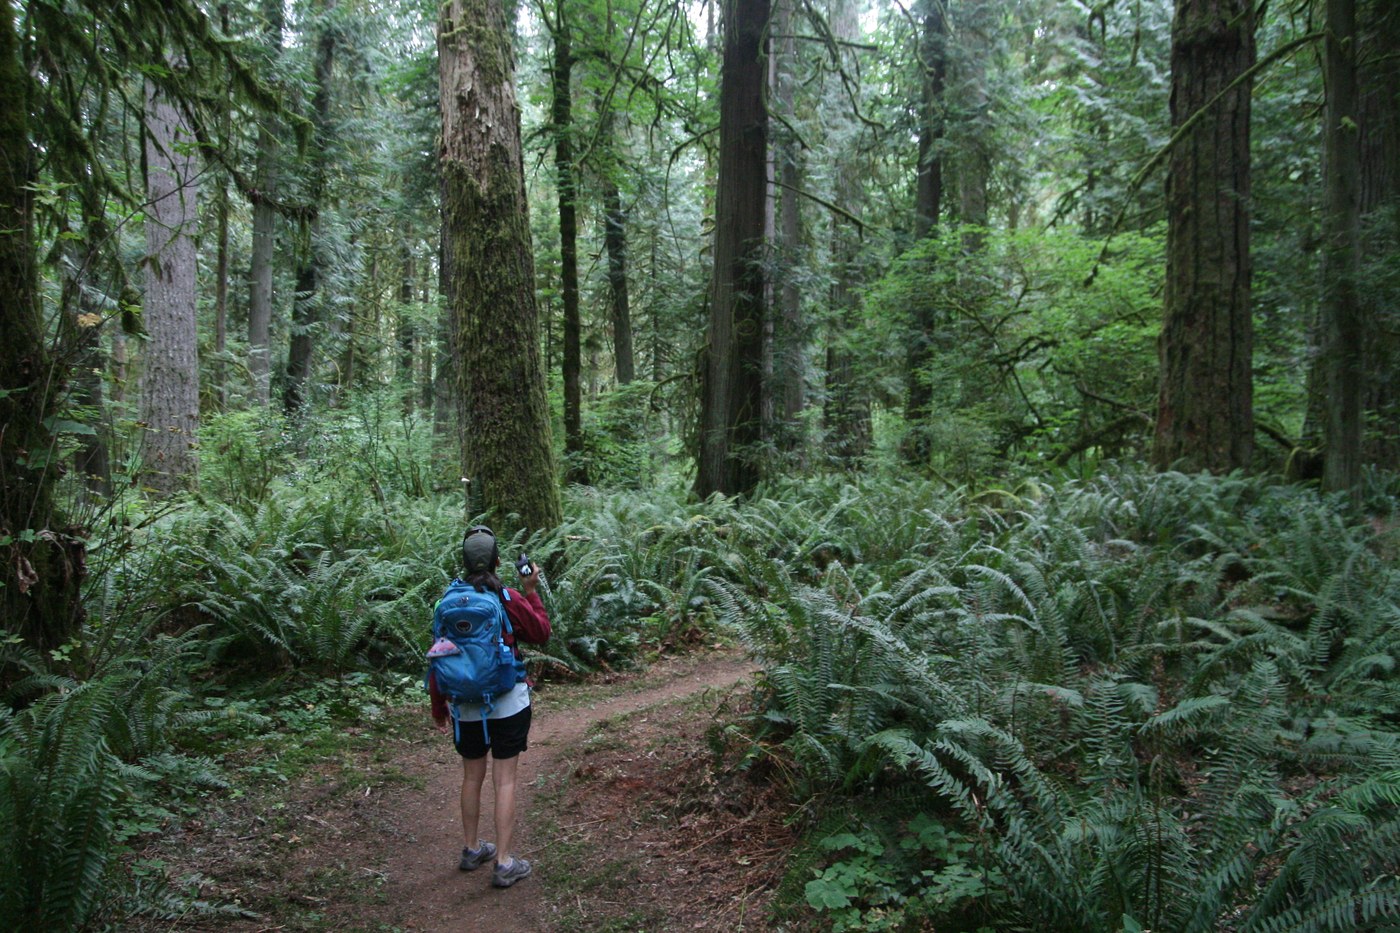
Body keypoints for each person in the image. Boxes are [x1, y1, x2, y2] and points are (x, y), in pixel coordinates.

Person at [428, 525, 551, 888]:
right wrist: (531, 591)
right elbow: (541, 632)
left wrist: (439, 704)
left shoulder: (446, 601)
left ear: (464, 563)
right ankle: (504, 861)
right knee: (505, 779)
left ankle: (471, 849)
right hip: (508, 701)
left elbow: (438, 655)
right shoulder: (506, 597)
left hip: (464, 704)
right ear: (497, 561)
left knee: (471, 776)